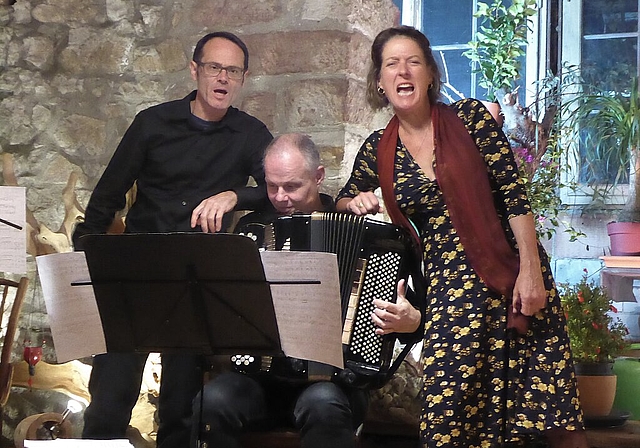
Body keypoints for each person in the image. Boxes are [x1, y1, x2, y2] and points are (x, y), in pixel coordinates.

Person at [335, 26, 588, 448]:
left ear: (430, 73)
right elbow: (342, 199)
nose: (403, 71)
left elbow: (513, 195)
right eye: (391, 64)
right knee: (449, 427)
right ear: (379, 82)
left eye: (413, 61)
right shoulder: (378, 149)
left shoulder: (470, 119)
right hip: (449, 299)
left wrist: (531, 273)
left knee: (551, 419)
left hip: (511, 278)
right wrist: (354, 200)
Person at [72, 31, 273, 448]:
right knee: (109, 400)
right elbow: (106, 197)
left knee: (181, 411)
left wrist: (235, 194)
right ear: (195, 70)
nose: (223, 78)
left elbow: (278, 190)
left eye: (233, 71)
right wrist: (85, 260)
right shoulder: (153, 123)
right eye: (214, 67)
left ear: (243, 78)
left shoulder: (250, 134)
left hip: (196, 280)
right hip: (137, 273)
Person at [191, 133, 370, 448]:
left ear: (318, 177)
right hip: (259, 378)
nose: (280, 197)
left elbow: (388, 309)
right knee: (212, 401)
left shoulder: (354, 229)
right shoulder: (252, 231)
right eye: (272, 187)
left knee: (323, 405)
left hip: (332, 384)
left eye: (291, 186)